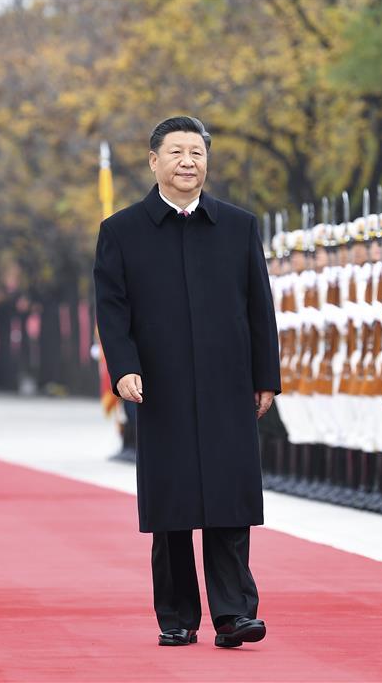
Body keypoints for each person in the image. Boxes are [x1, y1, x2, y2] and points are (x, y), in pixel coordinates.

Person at [93, 116, 281, 649]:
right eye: (175, 152)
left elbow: (258, 307)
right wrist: (124, 366)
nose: (186, 162)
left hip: (227, 383)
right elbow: (112, 309)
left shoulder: (238, 227)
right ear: (154, 161)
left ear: (207, 161)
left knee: (229, 498)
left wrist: (266, 376)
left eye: (196, 153)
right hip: (159, 385)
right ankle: (176, 615)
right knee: (172, 502)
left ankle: (234, 613)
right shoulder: (122, 231)